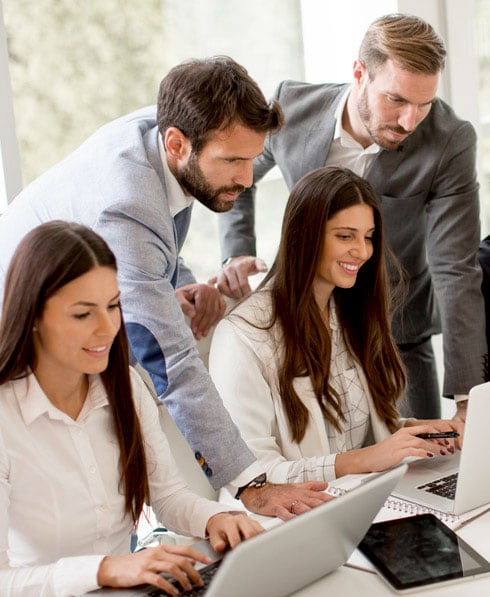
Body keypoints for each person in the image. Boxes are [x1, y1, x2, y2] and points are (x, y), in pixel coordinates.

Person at [0, 57, 331, 517]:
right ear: (177, 143)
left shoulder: (166, 133)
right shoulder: (127, 205)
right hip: (22, 341)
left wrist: (182, 283)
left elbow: (159, 237)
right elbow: (170, 362)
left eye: (253, 158)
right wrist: (252, 485)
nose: (247, 178)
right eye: (233, 161)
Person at [216, 14, 486, 422]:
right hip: (302, 324)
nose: (410, 121)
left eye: (424, 104)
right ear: (359, 73)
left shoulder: (450, 140)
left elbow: (456, 267)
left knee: (426, 466)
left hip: (397, 335)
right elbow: (240, 173)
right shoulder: (291, 107)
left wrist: (470, 398)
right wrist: (237, 251)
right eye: (396, 100)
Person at [0, 221, 265, 597]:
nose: (108, 329)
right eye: (82, 314)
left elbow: (169, 496)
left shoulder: (123, 384)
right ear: (33, 316)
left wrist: (218, 518)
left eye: (113, 305)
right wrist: (105, 569)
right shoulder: (6, 417)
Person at [209, 167, 463, 493]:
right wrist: (367, 459)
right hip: (296, 522)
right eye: (345, 236)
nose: (362, 251)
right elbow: (252, 478)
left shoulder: (349, 314)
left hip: (365, 499)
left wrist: (409, 435)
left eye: (368, 237)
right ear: (305, 235)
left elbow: (347, 440)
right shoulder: (243, 334)